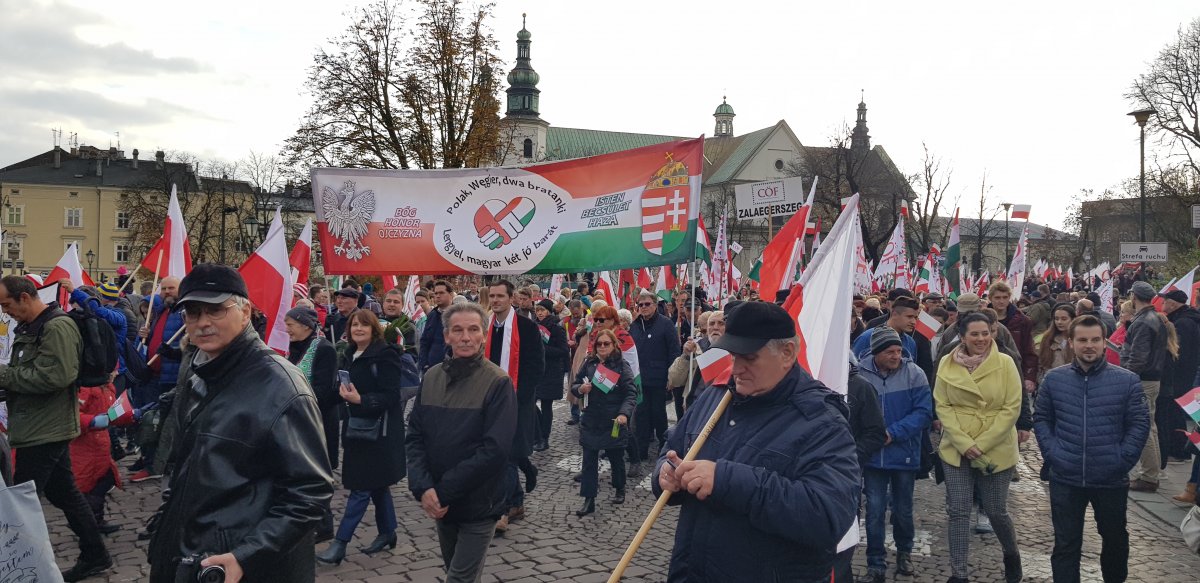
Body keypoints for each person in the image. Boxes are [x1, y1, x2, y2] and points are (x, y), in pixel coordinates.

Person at [146, 265, 333, 583]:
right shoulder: (197, 371)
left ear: (245, 311)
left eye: (216, 310)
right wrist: (166, 519)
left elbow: (310, 493)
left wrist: (247, 555)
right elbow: (183, 463)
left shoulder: (281, 386)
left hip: (243, 566)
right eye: (193, 312)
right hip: (187, 554)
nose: (203, 322)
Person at [653, 301, 860, 581]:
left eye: (748, 358)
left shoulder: (821, 421)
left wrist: (725, 480)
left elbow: (828, 515)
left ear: (787, 353)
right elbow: (672, 449)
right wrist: (665, 474)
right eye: (733, 356)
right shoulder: (715, 396)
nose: (735, 368)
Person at [0, 275, 112, 581]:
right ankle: (95, 554)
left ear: (25, 297)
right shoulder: (33, 325)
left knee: (21, 502)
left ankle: (23, 568)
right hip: (40, 423)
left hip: (45, 428)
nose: (5, 311)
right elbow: (32, 372)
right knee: (64, 494)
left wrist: (4, 376)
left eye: (7, 304)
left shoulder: (56, 326)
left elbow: (57, 376)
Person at [406, 302, 517, 583]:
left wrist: (442, 491)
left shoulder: (498, 383)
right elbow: (415, 436)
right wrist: (422, 486)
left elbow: (494, 450)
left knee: (458, 579)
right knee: (459, 573)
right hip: (441, 503)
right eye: (458, 330)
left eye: (472, 329)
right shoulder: (431, 377)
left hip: (479, 503)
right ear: (446, 336)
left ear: (483, 334)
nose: (465, 337)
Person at [1035, 314, 1150, 583]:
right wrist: (1054, 454)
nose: (1089, 345)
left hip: (1109, 476)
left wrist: (1122, 459)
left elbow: (1139, 424)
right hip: (1066, 475)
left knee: (1115, 541)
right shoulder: (1054, 379)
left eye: (1095, 340)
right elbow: (1042, 419)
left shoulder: (1127, 381)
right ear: (1072, 343)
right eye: (1083, 340)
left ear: (1104, 342)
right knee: (1065, 544)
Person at [934, 312, 1024, 583]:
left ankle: (1011, 553)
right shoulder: (947, 364)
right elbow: (942, 405)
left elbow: (1012, 408)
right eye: (974, 334)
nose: (981, 339)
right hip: (957, 449)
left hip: (994, 448)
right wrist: (964, 443)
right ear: (962, 336)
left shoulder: (1006, 363)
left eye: (986, 333)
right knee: (958, 511)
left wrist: (981, 445)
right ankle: (958, 573)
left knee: (996, 510)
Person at [317, 309, 408, 565]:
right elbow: (339, 391)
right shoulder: (347, 354)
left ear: (373, 329)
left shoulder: (386, 355)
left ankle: (340, 543)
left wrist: (361, 400)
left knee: (361, 487)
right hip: (356, 430)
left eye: (363, 325)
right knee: (376, 485)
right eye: (354, 325)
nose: (358, 329)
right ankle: (388, 532)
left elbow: (392, 396)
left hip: (379, 433)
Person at [855, 327, 933, 583]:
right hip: (873, 456)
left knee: (903, 510)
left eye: (899, 351)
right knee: (874, 510)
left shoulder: (915, 373)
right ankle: (875, 563)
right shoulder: (860, 375)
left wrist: (893, 433)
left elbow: (923, 413)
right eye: (890, 351)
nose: (896, 355)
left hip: (903, 454)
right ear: (876, 352)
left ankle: (904, 554)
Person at [484, 280, 545, 532]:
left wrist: (520, 396)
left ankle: (504, 510)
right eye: (492, 296)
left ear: (512, 299)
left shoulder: (527, 327)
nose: (495, 300)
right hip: (489, 399)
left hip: (518, 399)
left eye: (500, 296)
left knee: (506, 453)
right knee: (501, 453)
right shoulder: (485, 326)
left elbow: (536, 365)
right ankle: (520, 490)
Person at [284, 305, 340, 534]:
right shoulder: (294, 347)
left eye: (290, 325)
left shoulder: (324, 349)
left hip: (320, 421)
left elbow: (325, 390)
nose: (287, 330)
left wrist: (298, 400)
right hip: (298, 420)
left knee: (318, 472)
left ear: (305, 325)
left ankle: (324, 524)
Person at [570, 328, 638, 515]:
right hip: (591, 419)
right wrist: (580, 389)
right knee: (589, 461)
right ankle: (588, 499)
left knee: (616, 458)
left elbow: (631, 393)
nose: (602, 347)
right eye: (599, 344)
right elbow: (575, 384)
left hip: (613, 420)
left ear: (614, 345)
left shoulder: (622, 366)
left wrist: (624, 414)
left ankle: (619, 488)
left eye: (606, 343)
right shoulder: (589, 363)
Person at [133, 275, 184, 482]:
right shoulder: (162, 311)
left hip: (171, 377)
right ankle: (149, 459)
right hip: (153, 375)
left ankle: (157, 464)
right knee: (150, 420)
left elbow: (191, 345)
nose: (167, 292)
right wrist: (145, 333)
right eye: (163, 289)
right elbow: (152, 338)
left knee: (161, 423)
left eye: (171, 288)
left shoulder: (184, 313)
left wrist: (172, 352)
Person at [1120, 281, 1168, 492]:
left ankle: (1149, 476)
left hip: (1142, 379)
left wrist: (1127, 378)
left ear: (1134, 297)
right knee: (1151, 427)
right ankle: (1152, 472)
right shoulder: (1155, 318)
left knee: (1144, 427)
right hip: (1153, 378)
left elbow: (1138, 357)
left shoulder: (1143, 321)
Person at [630, 290, 681, 462]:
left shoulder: (666, 324)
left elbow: (674, 351)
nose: (643, 307)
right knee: (642, 415)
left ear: (654, 304)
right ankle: (641, 450)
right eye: (640, 304)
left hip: (659, 379)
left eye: (647, 304)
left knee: (659, 415)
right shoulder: (634, 325)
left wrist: (671, 376)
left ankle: (663, 447)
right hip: (640, 379)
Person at [1162, 289, 1200, 464]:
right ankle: (1180, 450)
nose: (1162, 305)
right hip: (1184, 373)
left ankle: (1179, 451)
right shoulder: (1185, 319)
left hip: (1179, 375)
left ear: (1173, 304)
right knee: (1175, 410)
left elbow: (1179, 351)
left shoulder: (1183, 323)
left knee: (1174, 411)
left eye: (1165, 301)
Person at [667, 310, 726, 409]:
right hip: (693, 408)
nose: (715, 327)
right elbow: (674, 380)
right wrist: (686, 356)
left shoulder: (733, 353)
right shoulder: (696, 347)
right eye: (711, 323)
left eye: (721, 323)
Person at [988, 281, 1038, 395]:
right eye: (997, 297)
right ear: (990, 298)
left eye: (1005, 297)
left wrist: (1029, 377)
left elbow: (1029, 350)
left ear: (1009, 297)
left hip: (1014, 370)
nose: (1001, 301)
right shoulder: (981, 318)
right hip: (988, 369)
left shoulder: (1023, 321)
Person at [533, 299, 568, 452]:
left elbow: (563, 350)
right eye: (537, 310)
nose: (539, 313)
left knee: (546, 405)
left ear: (549, 311)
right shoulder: (535, 325)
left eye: (542, 310)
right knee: (528, 402)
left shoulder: (556, 327)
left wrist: (542, 349)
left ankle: (544, 438)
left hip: (551, 371)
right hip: (537, 370)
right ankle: (538, 431)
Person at [419, 280, 454, 371]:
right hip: (431, 367)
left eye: (441, 293)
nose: (438, 296)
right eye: (436, 293)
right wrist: (424, 364)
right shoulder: (432, 315)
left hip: (452, 367)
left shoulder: (458, 315)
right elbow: (424, 341)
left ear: (451, 295)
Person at [1036, 303, 1076, 382]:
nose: (1059, 322)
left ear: (1073, 319)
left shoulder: (1078, 339)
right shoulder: (1047, 338)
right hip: (1051, 382)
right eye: (1056, 319)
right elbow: (1041, 363)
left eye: (1064, 319)